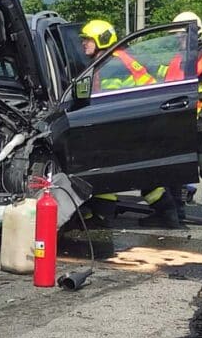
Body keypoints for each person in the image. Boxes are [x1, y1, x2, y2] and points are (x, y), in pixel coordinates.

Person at [77, 19, 179, 227]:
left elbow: (107, 99)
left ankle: (104, 215)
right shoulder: (115, 58)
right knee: (137, 171)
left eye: (88, 39)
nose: (84, 43)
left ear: (102, 40)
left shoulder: (111, 65)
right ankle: (167, 213)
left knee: (108, 165)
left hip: (131, 122)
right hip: (141, 119)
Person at [164, 11, 202, 215]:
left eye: (180, 35)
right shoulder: (178, 59)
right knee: (179, 166)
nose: (177, 39)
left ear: (193, 33)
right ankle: (178, 204)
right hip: (180, 124)